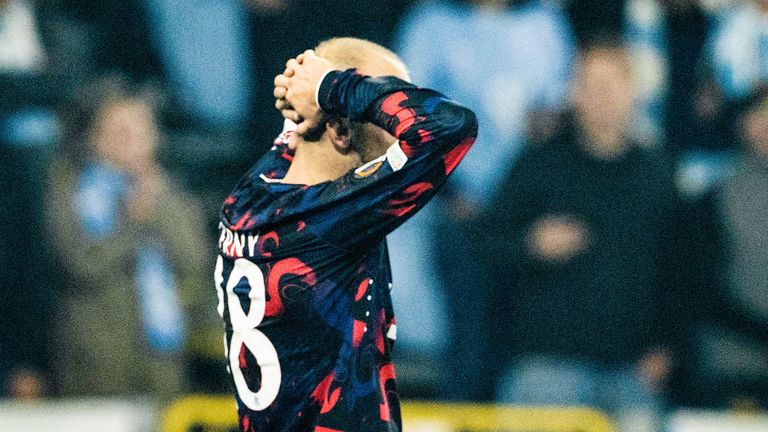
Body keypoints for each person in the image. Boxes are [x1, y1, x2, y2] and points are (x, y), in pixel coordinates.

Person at [216, 38, 477, 431]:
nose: (396, 122)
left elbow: (296, 144)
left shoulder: (246, 199)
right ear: (340, 129)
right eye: (386, 112)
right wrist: (331, 88)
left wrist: (303, 91)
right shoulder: (331, 220)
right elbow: (451, 126)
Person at [474, 37, 681, 430]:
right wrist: (531, 243)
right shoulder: (540, 162)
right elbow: (483, 242)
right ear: (573, 92)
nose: (601, 95)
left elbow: (680, 270)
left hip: (634, 371)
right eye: (589, 83)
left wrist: (668, 348)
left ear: (633, 91)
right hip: (548, 366)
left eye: (612, 83)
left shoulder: (658, 172)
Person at [46, 76, 218, 398]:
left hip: (162, 353)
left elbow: (194, 259)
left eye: (142, 130)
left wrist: (158, 203)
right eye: (121, 131)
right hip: (98, 357)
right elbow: (81, 263)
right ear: (95, 137)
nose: (135, 140)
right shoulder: (72, 189)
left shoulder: (165, 190)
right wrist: (133, 222)